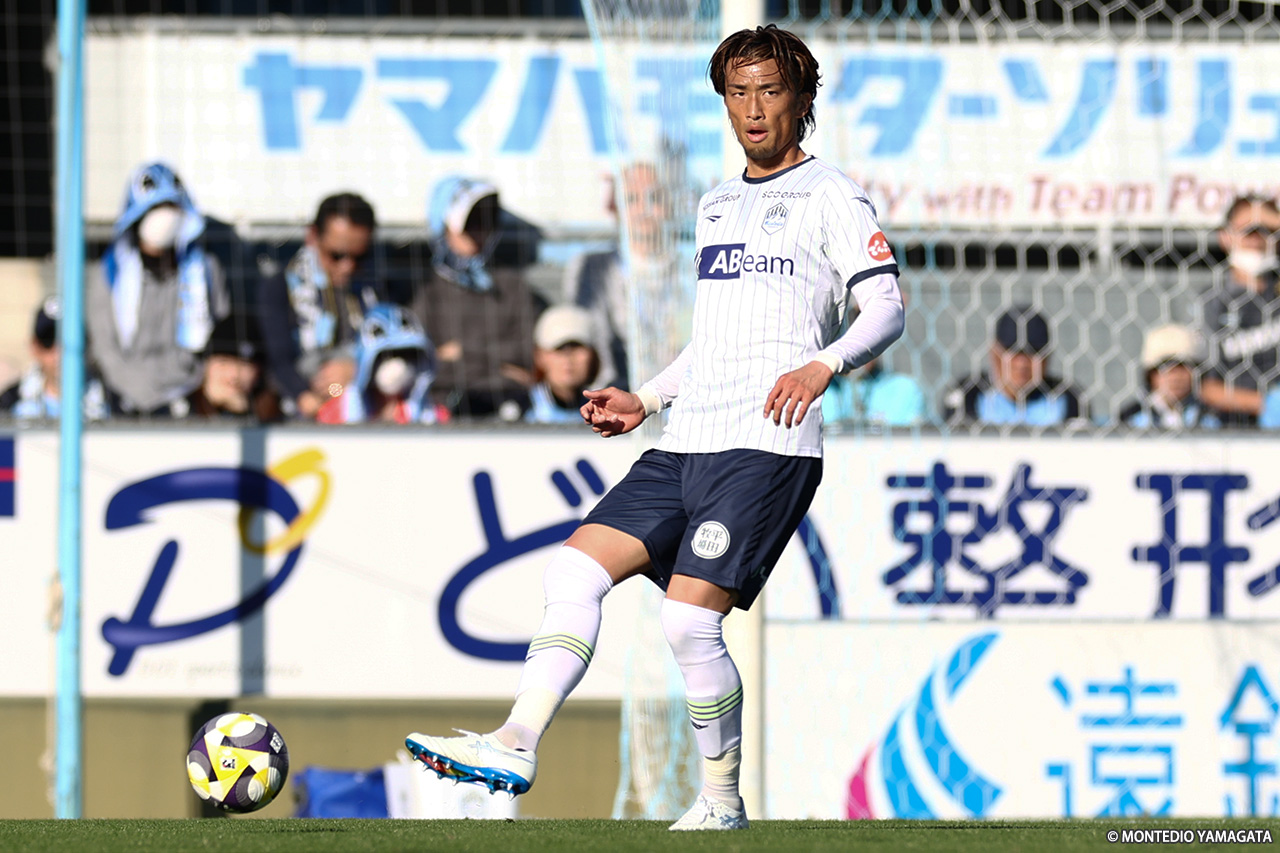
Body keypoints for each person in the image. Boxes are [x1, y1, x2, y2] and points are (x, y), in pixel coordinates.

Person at [405, 25, 904, 832]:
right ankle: (516, 742)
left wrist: (824, 365)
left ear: (803, 99)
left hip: (765, 445)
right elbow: (714, 342)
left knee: (687, 619)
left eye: (770, 90)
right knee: (574, 570)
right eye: (738, 92)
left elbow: (885, 306)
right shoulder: (716, 203)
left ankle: (721, 800)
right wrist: (647, 397)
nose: (753, 108)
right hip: (685, 439)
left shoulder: (832, 196)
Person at [86, 162, 230, 415]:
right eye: (156, 207)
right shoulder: (108, 273)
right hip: (125, 397)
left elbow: (219, 335)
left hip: (191, 392)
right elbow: (104, 349)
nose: (166, 216)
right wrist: (140, 391)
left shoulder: (205, 269)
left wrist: (190, 383)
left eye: (171, 206)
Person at [410, 176, 544, 421]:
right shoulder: (424, 289)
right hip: (440, 409)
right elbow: (422, 363)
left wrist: (460, 351)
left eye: (486, 222)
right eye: (469, 223)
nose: (478, 232)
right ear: (443, 226)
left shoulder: (513, 286)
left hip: (510, 406)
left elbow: (526, 352)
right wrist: (502, 366)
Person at [258, 192, 378, 420]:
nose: (348, 267)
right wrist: (307, 397)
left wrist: (357, 370)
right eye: (337, 255)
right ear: (313, 236)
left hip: (361, 407)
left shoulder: (377, 288)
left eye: (359, 257)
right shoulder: (280, 286)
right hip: (299, 413)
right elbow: (277, 359)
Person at [562, 163, 676, 389]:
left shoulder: (692, 270)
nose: (644, 209)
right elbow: (592, 341)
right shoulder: (590, 268)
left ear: (668, 206)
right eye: (632, 199)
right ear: (614, 208)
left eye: (654, 198)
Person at [1196, 195, 1280, 426]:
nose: (1257, 239)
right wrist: (1264, 404)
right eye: (1249, 230)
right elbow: (1201, 384)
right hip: (1230, 428)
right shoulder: (1211, 301)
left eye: (1267, 230)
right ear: (1225, 236)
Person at [942, 305, 1086, 426]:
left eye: (1033, 352)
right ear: (995, 353)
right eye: (1013, 351)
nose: (1022, 363)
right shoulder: (968, 393)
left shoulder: (1069, 398)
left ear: (1047, 356)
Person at [315, 303, 446, 425]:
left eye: (407, 356)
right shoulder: (338, 413)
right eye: (384, 356)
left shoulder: (433, 416)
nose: (397, 364)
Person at [0, 298, 109, 420]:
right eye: (48, 341)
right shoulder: (7, 405)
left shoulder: (113, 406)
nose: (59, 352)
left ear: (87, 344)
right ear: (34, 347)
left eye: (70, 341)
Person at [1119, 324, 1219, 429]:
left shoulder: (1210, 416)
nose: (1175, 377)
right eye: (1165, 367)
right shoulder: (1131, 419)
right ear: (1151, 375)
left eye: (1183, 367)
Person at [524, 305, 602, 424]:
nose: (568, 358)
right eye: (559, 349)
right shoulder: (520, 411)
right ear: (540, 356)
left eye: (576, 347)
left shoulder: (605, 410)